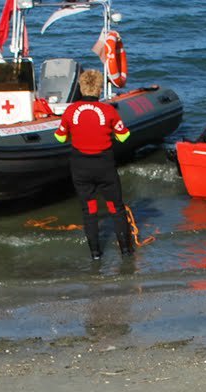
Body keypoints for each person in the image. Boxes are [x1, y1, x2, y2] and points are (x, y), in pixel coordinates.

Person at [53, 68, 132, 260]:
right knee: (116, 208)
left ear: (81, 88)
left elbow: (60, 138)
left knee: (89, 210)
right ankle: (126, 252)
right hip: (104, 165)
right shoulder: (108, 110)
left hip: (81, 167)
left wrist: (76, 132)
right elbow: (124, 136)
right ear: (99, 90)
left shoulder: (71, 111)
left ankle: (96, 254)